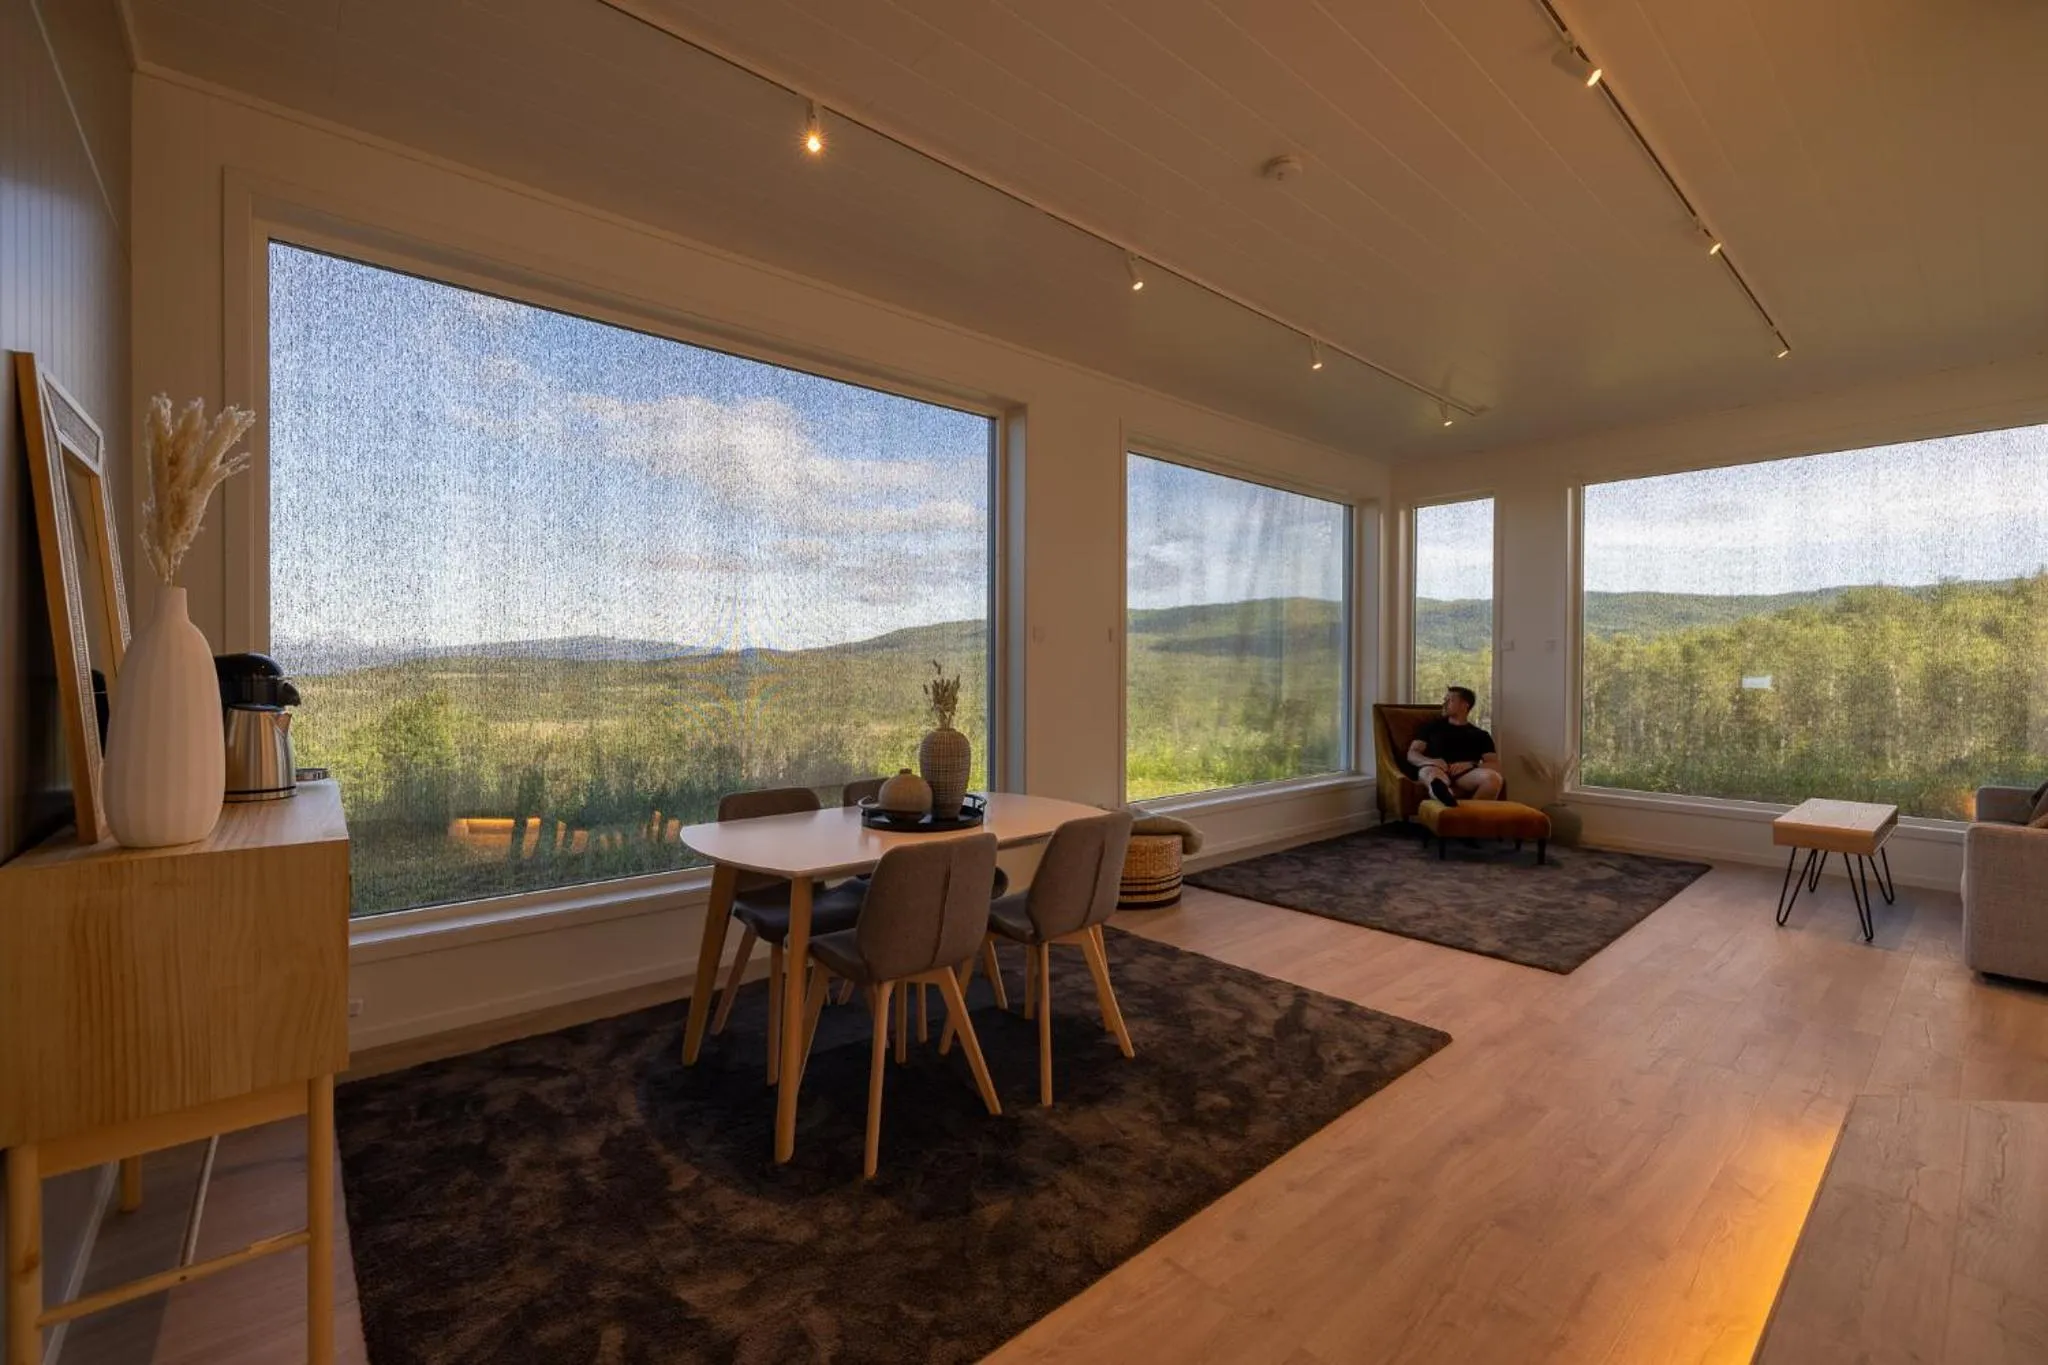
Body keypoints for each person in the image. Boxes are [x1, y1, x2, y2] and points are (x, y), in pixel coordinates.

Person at [1407, 686, 1502, 808]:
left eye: (1450, 700)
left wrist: (1472, 765)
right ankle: (1446, 795)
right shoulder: (1431, 727)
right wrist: (1430, 761)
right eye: (1445, 699)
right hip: (1435, 769)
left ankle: (1467, 814)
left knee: (1494, 779)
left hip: (1465, 774)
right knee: (1431, 775)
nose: (1445, 703)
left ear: (1464, 705)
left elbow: (1494, 764)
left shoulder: (1480, 735)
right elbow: (1412, 753)